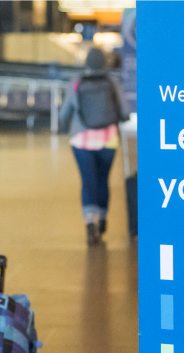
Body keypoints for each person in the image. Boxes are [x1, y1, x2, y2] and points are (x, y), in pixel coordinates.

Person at [58, 48, 129, 245]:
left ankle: (91, 222)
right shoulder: (112, 81)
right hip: (108, 140)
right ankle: (104, 215)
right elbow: (124, 107)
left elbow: (66, 110)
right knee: (103, 179)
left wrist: (62, 125)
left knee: (88, 180)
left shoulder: (76, 82)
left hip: (81, 140)